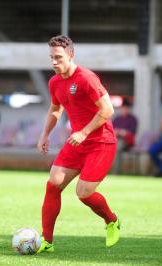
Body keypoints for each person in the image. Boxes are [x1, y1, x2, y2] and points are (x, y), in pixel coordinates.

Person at [36, 35, 120, 253]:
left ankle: (111, 220)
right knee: (53, 183)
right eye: (51, 58)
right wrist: (45, 134)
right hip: (77, 142)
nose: (54, 62)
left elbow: (108, 110)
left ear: (71, 55)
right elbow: (55, 110)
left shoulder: (86, 78)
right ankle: (47, 242)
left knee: (83, 193)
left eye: (59, 57)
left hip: (101, 142)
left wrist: (84, 132)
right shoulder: (54, 82)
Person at [112, 98, 138, 174]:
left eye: (126, 108)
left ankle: (115, 172)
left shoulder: (133, 119)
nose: (124, 110)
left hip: (127, 142)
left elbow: (132, 132)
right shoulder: (117, 119)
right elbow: (111, 131)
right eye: (123, 108)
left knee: (117, 147)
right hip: (115, 139)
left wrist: (123, 133)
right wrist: (118, 132)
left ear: (129, 109)